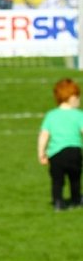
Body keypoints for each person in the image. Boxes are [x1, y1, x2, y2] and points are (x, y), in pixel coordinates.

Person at [37, 78, 83, 211]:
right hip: (74, 151)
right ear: (72, 97)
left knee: (57, 180)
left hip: (56, 154)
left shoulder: (51, 115)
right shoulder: (79, 115)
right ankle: (76, 199)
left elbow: (44, 135)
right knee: (75, 178)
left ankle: (58, 202)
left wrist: (41, 153)